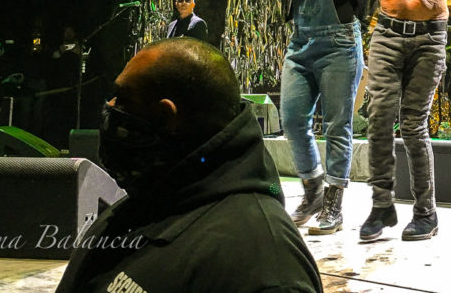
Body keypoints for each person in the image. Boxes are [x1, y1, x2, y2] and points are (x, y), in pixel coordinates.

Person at [56, 37, 322, 293]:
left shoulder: (266, 267)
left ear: (166, 117)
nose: (110, 107)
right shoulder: (150, 199)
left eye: (122, 99)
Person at [202, 0, 372, 235]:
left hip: (340, 42)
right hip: (301, 41)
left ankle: (334, 204)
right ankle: (312, 189)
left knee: (337, 127)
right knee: (293, 120)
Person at [357, 0, 451, 242]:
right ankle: (381, 206)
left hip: (429, 35)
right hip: (387, 31)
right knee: (379, 116)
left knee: (414, 124)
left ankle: (425, 212)